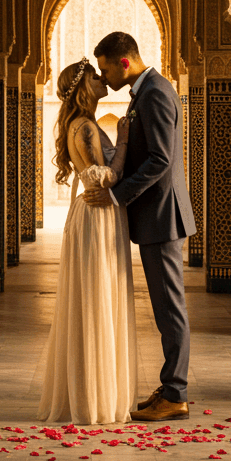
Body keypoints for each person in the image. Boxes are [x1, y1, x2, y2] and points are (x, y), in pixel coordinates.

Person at [83, 31, 196, 422]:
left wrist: (117, 195)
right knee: (165, 308)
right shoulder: (142, 93)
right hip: (154, 217)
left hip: (163, 216)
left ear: (124, 62)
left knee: (169, 309)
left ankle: (176, 394)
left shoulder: (156, 93)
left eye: (105, 67)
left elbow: (161, 160)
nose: (104, 75)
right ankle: (170, 388)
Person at [37, 56, 136, 424]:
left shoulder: (81, 124)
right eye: (95, 77)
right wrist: (124, 141)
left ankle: (92, 391)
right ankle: (95, 398)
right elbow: (107, 176)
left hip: (92, 215)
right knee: (97, 299)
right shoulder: (87, 128)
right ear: (83, 87)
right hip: (97, 216)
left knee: (95, 299)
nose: (101, 80)